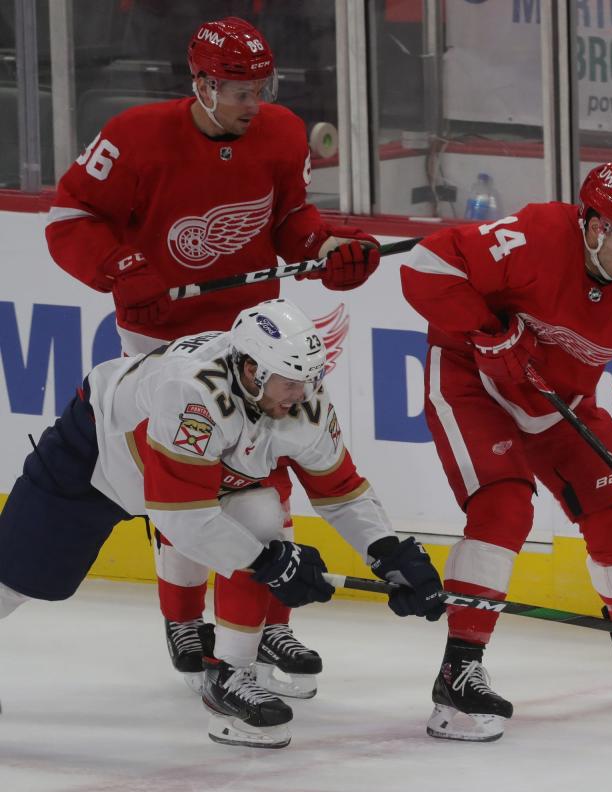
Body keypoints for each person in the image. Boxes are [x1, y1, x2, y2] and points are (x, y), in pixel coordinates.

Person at [44, 16, 382, 697]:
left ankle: (270, 623)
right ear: (199, 84)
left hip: (258, 338)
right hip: (164, 340)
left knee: (269, 481)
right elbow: (69, 217)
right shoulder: (135, 136)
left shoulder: (283, 132)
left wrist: (325, 250)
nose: (253, 103)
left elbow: (290, 220)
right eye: (237, 90)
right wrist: (118, 268)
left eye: (262, 87)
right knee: (191, 486)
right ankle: (182, 619)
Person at [0, 298, 446, 748]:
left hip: (192, 480)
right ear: (251, 370)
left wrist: (388, 553)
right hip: (96, 458)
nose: (303, 396)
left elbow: (340, 489)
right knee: (17, 580)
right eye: (292, 383)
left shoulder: (298, 397)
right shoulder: (192, 391)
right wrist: (269, 563)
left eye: (311, 380)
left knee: (260, 516)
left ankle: (229, 675)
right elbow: (181, 518)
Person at [398, 161, 612, 743]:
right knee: (505, 506)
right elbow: (426, 265)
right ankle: (458, 672)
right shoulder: (534, 235)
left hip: (557, 397)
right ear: (592, 227)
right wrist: (488, 327)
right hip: (472, 380)